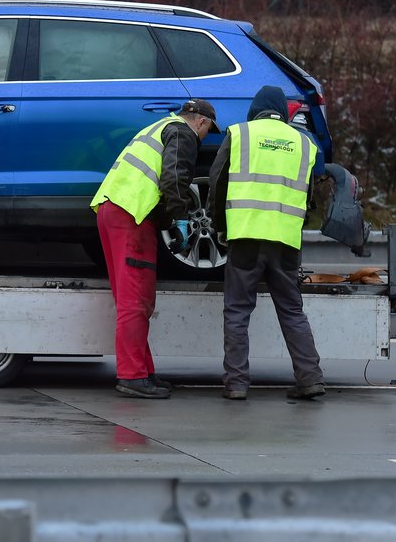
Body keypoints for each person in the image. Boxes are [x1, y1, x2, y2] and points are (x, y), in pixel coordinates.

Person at [91, 99, 221, 398]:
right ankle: (132, 376)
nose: (205, 137)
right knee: (136, 301)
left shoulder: (158, 126)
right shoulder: (183, 133)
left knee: (134, 300)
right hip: (131, 216)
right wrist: (180, 221)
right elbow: (174, 178)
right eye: (208, 131)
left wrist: (168, 222)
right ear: (200, 121)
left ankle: (144, 372)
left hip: (115, 210)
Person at [208, 85, 325, 401]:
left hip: (246, 235)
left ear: (255, 110)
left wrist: (220, 228)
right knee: (291, 310)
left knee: (237, 310)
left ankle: (236, 384)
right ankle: (310, 378)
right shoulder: (305, 143)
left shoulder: (241, 134)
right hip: (286, 240)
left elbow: (218, 184)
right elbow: (308, 194)